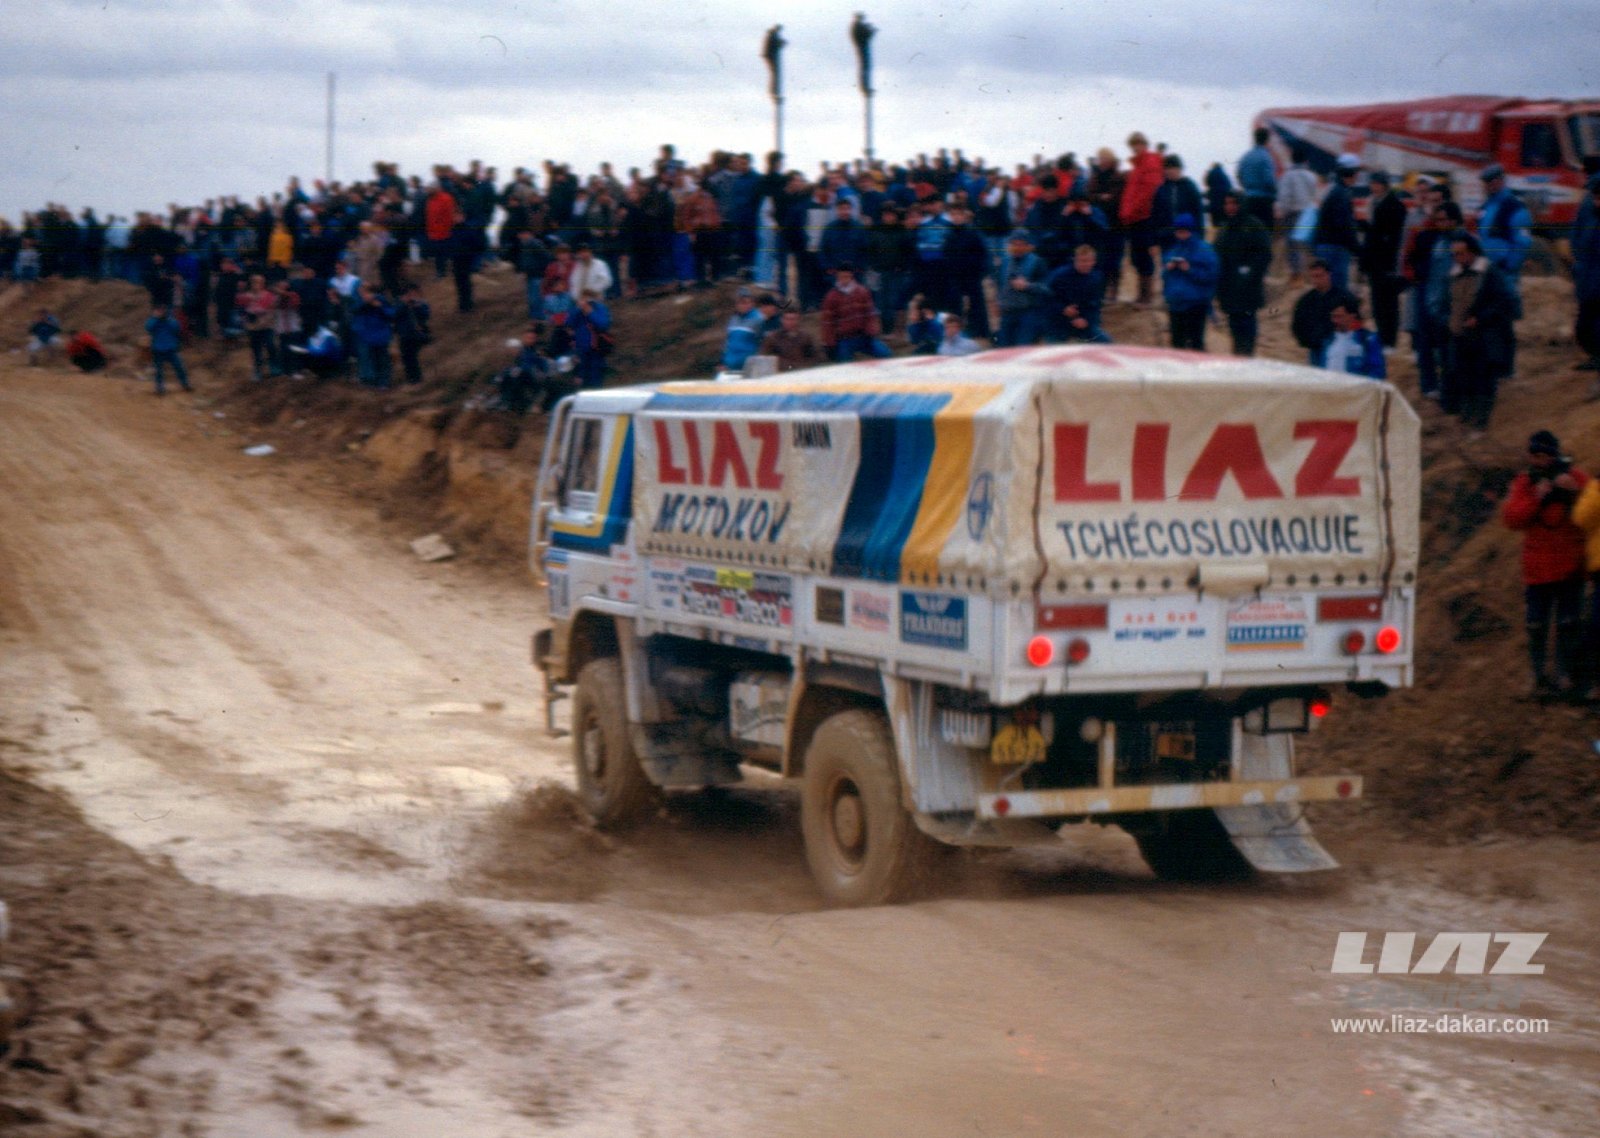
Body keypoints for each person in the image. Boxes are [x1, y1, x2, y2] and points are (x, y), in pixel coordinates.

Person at [1503, 430, 1589, 699]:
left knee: (1568, 623)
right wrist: (1537, 497)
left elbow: (1591, 511)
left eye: (1544, 456)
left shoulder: (1575, 477)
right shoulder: (1525, 482)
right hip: (1537, 570)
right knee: (1536, 625)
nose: (1539, 461)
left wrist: (1574, 493)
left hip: (1570, 566)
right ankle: (1539, 677)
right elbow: (1512, 519)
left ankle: (1565, 676)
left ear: (1554, 455)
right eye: (1535, 456)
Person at [1443, 232, 1517, 432]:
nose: (1457, 258)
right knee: (1464, 376)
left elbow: (1503, 302)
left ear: (1472, 252)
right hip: (1460, 336)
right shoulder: (1453, 274)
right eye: (1454, 254)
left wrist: (1481, 318)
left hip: (1484, 336)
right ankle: (1468, 415)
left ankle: (1482, 419)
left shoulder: (1489, 273)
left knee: (1483, 378)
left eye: (1460, 253)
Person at [1214, 190, 1272, 356]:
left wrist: (1250, 274)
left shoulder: (1254, 226)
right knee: (1234, 329)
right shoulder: (1224, 227)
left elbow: (1264, 255)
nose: (1230, 207)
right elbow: (1217, 255)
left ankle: (1247, 357)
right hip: (1229, 289)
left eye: (1234, 203)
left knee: (1247, 328)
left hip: (1248, 289)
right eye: (1227, 203)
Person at [1362, 171, 1408, 349]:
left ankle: (1390, 340)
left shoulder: (1395, 206)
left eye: (1377, 183)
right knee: (1377, 304)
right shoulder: (1373, 203)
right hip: (1375, 263)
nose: (1373, 187)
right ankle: (1383, 338)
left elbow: (1396, 238)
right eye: (1372, 183)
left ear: (1384, 185)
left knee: (1389, 304)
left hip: (1388, 263)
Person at [1118, 132, 1164, 306]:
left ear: (1144, 144)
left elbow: (1148, 193)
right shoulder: (1137, 165)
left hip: (1143, 217)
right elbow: (1131, 192)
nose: (1135, 148)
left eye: (1137, 144)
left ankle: (1147, 295)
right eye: (1132, 145)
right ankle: (1142, 294)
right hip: (1134, 217)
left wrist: (1130, 210)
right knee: (1137, 256)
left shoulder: (1150, 162)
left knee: (1143, 257)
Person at [1160, 214, 1218, 351]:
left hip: (1196, 303)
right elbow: (1163, 275)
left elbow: (1211, 275)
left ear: (1191, 231)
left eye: (1183, 231)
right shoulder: (1173, 250)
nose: (1180, 235)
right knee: (1177, 343)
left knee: (1195, 342)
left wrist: (1189, 269)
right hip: (1176, 303)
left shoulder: (1204, 250)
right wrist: (1168, 269)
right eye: (1178, 232)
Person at [1291, 259, 1359, 367]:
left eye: (1320, 276)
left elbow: (1356, 321)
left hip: (1342, 347)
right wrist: (1308, 341)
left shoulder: (1344, 297)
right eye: (1314, 276)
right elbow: (1297, 324)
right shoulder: (1306, 300)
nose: (1317, 280)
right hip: (1316, 349)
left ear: (1328, 275)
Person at [820, 264, 891, 361]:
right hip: (844, 339)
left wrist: (871, 331)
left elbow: (870, 315)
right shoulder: (831, 297)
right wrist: (830, 343)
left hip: (863, 336)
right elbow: (828, 323)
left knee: (885, 354)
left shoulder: (862, 292)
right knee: (845, 363)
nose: (844, 279)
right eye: (841, 277)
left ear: (851, 276)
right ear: (837, 277)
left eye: (847, 276)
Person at [1312, 154, 1362, 291]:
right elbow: (1345, 227)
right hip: (1335, 250)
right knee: (1336, 293)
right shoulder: (1342, 194)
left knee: (1326, 291)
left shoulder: (1335, 190)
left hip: (1325, 247)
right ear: (1351, 173)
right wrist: (1358, 249)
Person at [995, 230, 1052, 346]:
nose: (1017, 247)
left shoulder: (1037, 262)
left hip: (1028, 313)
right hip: (1007, 312)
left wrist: (1027, 286)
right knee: (1004, 347)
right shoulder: (1004, 262)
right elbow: (1000, 285)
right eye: (1014, 244)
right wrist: (998, 302)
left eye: (1021, 244)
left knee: (1023, 346)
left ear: (1027, 246)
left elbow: (1047, 288)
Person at [1046, 244, 1110, 343]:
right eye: (1082, 261)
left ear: (1094, 261)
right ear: (1074, 260)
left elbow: (1096, 304)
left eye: (1088, 261)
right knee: (1056, 349)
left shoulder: (1096, 278)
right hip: (1057, 321)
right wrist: (1062, 308)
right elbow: (1045, 297)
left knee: (1104, 341)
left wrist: (1086, 320)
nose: (1085, 264)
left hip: (1082, 320)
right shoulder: (1059, 276)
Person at [1276, 146, 1321, 283]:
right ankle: (1316, 274)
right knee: (1310, 245)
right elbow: (1315, 195)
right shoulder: (1311, 176)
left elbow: (1284, 197)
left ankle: (1297, 276)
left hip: (1293, 213)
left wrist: (1283, 212)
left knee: (1292, 245)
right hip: (1309, 213)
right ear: (1305, 160)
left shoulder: (1287, 176)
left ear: (1292, 159)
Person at [1572, 174, 1600, 388]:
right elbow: (1578, 241)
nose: (1596, 201)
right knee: (1584, 329)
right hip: (1588, 282)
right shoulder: (1589, 212)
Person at [1322, 300, 1386, 378]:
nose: (1335, 321)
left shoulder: (1367, 340)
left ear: (1351, 316)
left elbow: (1377, 371)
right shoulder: (1327, 340)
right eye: (1333, 316)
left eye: (1339, 316)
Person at [351, 283, 396, 389]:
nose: (363, 295)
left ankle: (384, 382)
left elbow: (391, 314)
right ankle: (376, 381)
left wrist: (380, 307)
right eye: (361, 293)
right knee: (373, 359)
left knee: (383, 359)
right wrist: (365, 303)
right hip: (368, 336)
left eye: (364, 292)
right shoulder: (360, 302)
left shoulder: (381, 300)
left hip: (381, 335)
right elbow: (354, 310)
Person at [1236, 126, 1278, 230]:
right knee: (1265, 233)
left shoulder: (1245, 157)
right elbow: (1269, 182)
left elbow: (1239, 176)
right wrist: (1276, 193)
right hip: (1263, 202)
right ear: (1267, 140)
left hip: (1248, 200)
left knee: (1250, 233)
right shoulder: (1266, 157)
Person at [144, 305, 192, 395]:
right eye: (159, 310)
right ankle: (159, 387)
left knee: (179, 368)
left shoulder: (171, 320)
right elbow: (148, 328)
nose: (161, 312)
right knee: (159, 370)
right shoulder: (153, 321)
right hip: (158, 349)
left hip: (171, 348)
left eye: (163, 310)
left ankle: (185, 384)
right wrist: (156, 318)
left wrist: (166, 319)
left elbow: (177, 328)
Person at [758, 306, 822, 372]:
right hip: (780, 372)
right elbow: (764, 357)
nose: (790, 322)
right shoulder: (772, 338)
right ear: (782, 320)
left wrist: (802, 366)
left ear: (799, 320)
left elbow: (818, 357)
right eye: (787, 319)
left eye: (793, 319)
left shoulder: (807, 337)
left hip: (802, 371)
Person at [570, 289, 612, 389]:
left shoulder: (600, 308)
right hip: (581, 350)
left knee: (596, 381)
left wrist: (590, 312)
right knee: (581, 381)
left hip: (596, 349)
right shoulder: (577, 311)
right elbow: (568, 322)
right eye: (583, 299)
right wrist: (578, 309)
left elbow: (603, 325)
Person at [721, 289, 766, 373]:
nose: (745, 305)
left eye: (747, 302)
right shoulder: (733, 319)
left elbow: (762, 342)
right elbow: (727, 342)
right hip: (730, 365)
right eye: (741, 303)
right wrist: (722, 361)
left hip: (749, 366)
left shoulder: (759, 319)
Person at [394, 285, 432, 385]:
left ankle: (416, 378)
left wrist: (418, 306)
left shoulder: (417, 303)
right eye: (408, 295)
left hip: (414, 333)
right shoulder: (398, 305)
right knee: (407, 358)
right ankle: (412, 378)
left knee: (412, 357)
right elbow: (394, 315)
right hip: (404, 335)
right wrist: (404, 305)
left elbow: (425, 315)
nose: (410, 297)